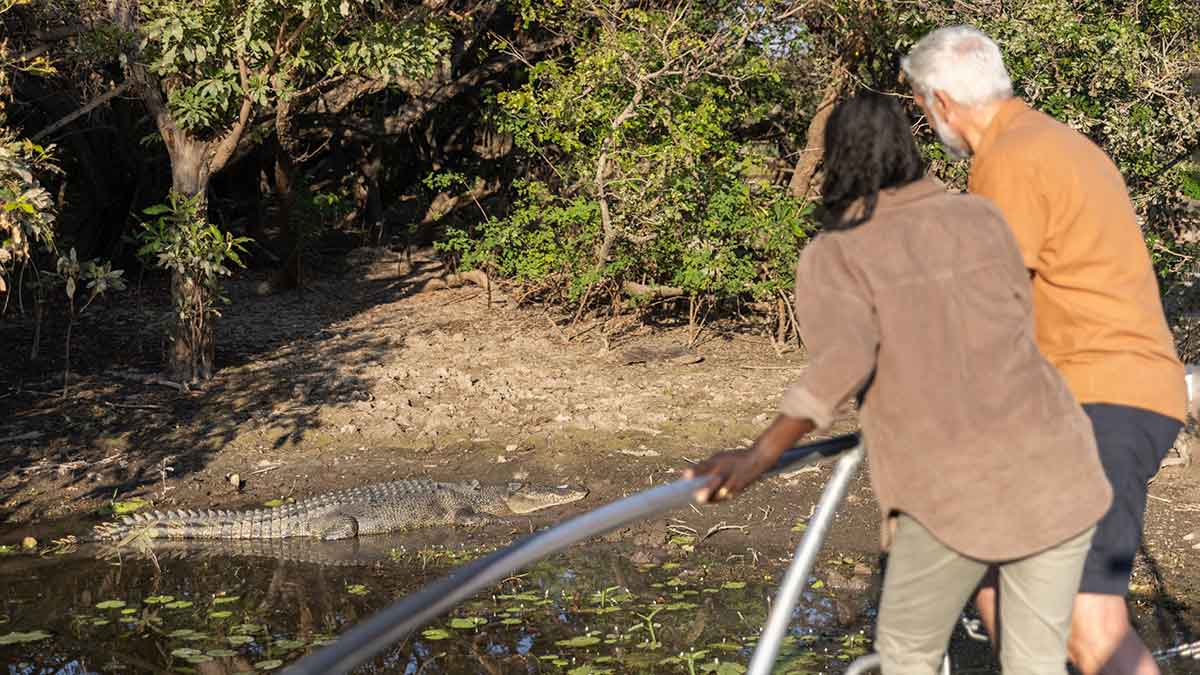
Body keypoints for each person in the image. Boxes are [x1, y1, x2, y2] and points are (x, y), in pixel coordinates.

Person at [685, 91, 1112, 675]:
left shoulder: (837, 254)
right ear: (910, 149)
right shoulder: (981, 217)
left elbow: (842, 364)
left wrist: (757, 458)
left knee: (908, 657)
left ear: (837, 159)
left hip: (951, 490)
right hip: (1059, 469)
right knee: (1036, 663)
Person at [900, 26, 1187, 675]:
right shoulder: (1050, 144)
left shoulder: (1011, 159)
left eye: (921, 104)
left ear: (940, 101)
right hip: (1087, 400)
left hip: (1101, 403)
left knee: (1093, 629)